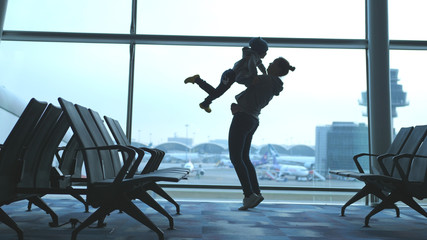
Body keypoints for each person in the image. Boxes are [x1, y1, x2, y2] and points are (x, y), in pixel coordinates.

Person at [228, 57, 295, 210]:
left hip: (243, 117)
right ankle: (255, 193)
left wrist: (249, 62)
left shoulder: (264, 80)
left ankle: (249, 195)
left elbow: (240, 78)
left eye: (273, 63)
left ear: (278, 69)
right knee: (244, 157)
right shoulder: (273, 84)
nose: (269, 64)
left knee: (236, 157)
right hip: (253, 118)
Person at [184, 37, 269, 113]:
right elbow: (252, 66)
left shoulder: (255, 57)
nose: (266, 54)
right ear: (260, 51)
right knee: (217, 93)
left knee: (217, 92)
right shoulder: (252, 56)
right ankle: (197, 80)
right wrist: (255, 76)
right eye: (265, 51)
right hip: (230, 75)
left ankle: (205, 103)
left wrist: (265, 74)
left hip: (231, 76)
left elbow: (260, 66)